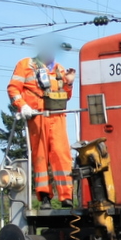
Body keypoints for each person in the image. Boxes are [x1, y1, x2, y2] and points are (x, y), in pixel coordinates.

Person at [7, 42, 76, 208]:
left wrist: (69, 82)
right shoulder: (25, 65)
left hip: (57, 117)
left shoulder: (60, 69)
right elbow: (13, 89)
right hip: (37, 117)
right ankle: (44, 197)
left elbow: (66, 96)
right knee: (40, 156)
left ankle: (66, 197)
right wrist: (22, 105)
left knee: (62, 156)